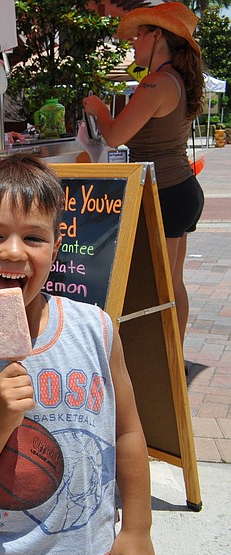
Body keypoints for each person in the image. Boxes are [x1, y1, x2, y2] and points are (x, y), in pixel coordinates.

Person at [0, 154, 154, 555]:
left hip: (90, 553)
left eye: (34, 238)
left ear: (56, 250)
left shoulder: (97, 330)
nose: (14, 252)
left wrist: (137, 528)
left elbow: (126, 433)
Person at [83, 2, 204, 348]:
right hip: (181, 188)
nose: (133, 43)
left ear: (157, 36)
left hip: (164, 193)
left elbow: (115, 135)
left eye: (139, 35)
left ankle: (163, 363)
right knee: (173, 283)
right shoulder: (175, 80)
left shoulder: (155, 84)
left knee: (158, 288)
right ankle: (173, 360)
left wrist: (100, 110)